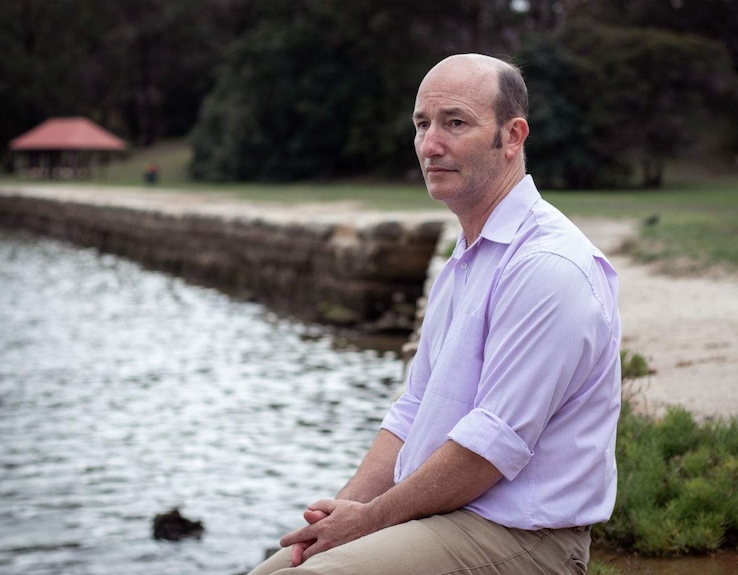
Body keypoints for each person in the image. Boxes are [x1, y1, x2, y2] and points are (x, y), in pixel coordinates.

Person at [248, 53, 622, 575]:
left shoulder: (548, 266)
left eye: (455, 123)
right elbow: (413, 408)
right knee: (278, 569)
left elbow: (490, 447)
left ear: (512, 136)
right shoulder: (468, 257)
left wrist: (368, 522)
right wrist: (335, 517)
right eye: (422, 124)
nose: (430, 144)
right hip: (443, 519)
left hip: (522, 538)